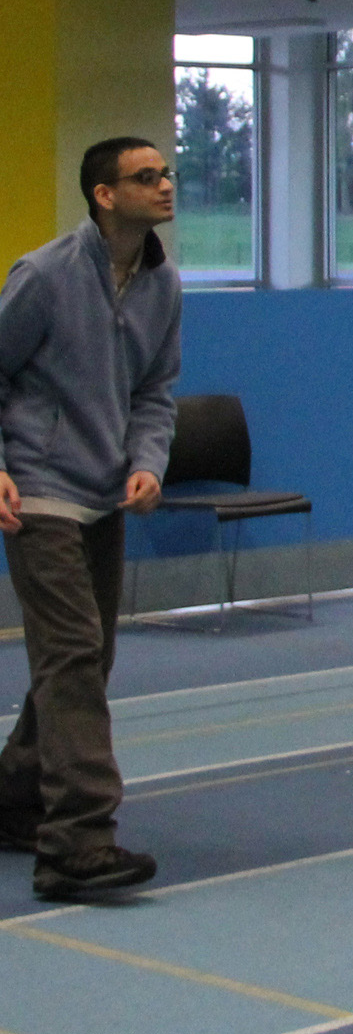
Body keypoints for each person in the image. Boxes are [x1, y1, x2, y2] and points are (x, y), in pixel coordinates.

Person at [0, 137, 181, 900]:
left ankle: (14, 800)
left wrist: (148, 461)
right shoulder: (42, 277)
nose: (165, 185)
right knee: (72, 656)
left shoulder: (161, 285)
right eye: (147, 177)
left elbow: (155, 390)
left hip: (105, 492)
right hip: (37, 491)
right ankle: (76, 843)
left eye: (167, 173)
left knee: (86, 658)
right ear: (104, 195)